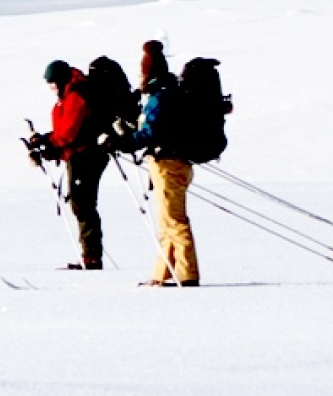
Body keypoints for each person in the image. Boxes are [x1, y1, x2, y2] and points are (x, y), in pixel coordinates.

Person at [25, 57, 111, 271]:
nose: (52, 89)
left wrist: (51, 143)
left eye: (53, 84)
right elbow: (65, 130)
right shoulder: (69, 95)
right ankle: (90, 255)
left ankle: (92, 258)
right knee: (81, 203)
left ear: (62, 80)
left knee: (82, 204)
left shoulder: (75, 96)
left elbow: (69, 131)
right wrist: (47, 140)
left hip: (85, 155)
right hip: (81, 153)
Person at [131, 35, 201, 286]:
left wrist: (127, 141)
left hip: (167, 164)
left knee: (174, 221)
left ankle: (187, 275)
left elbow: (151, 131)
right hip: (176, 162)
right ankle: (163, 273)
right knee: (167, 221)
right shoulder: (171, 92)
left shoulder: (160, 97)